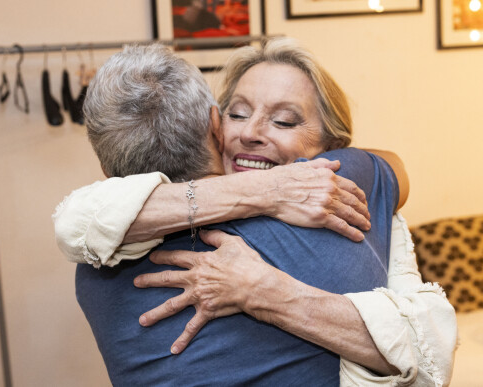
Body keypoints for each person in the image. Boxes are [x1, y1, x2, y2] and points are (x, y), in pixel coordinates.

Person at [54, 40, 457, 386]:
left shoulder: (94, 268)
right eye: (238, 113)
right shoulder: (341, 186)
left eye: (284, 120)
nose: (250, 132)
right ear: (215, 125)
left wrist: (261, 289)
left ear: (333, 147)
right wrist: (267, 189)